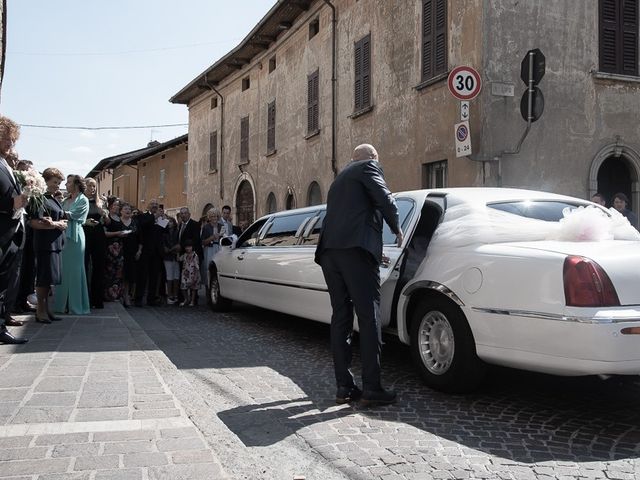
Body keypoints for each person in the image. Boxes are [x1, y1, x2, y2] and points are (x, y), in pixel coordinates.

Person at [315, 144, 403, 407]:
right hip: (354, 251)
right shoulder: (368, 167)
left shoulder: (339, 180)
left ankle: (344, 387)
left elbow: (350, 219)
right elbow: (386, 199)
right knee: (369, 316)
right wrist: (396, 227)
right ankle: (372, 388)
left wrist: (374, 253)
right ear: (374, 158)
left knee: (340, 317)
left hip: (330, 252)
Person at [0, 116, 28, 343]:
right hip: (2, 229)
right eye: (5, 138)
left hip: (10, 231)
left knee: (5, 280)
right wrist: (16, 202)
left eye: (12, 139)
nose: (10, 143)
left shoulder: (5, 163)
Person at [29, 167, 67, 323]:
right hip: (45, 244)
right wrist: (57, 225)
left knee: (50, 279)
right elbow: (35, 223)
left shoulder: (53, 199)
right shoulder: (39, 198)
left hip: (55, 244)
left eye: (59, 183)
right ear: (45, 181)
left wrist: (61, 223)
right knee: (44, 279)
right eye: (54, 182)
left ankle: (47, 309)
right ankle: (40, 310)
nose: (57, 185)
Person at [53, 175, 90, 315]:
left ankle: (76, 305)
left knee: (75, 271)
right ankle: (61, 305)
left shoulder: (83, 200)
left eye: (68, 182)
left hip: (75, 238)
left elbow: (73, 215)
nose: (66, 184)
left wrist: (54, 211)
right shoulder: (66, 199)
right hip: (63, 236)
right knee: (63, 270)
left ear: (76, 184)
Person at [83, 178, 107, 309]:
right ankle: (85, 297)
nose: (92, 188)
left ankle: (97, 299)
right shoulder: (80, 200)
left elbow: (107, 222)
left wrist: (104, 214)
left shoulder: (100, 202)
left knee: (99, 266)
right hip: (85, 233)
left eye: (94, 186)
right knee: (85, 266)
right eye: (89, 186)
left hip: (98, 234)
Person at [134, 199, 162, 306]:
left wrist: (164, 221)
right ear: (148, 206)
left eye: (156, 204)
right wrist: (154, 217)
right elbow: (143, 224)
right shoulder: (143, 216)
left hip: (156, 252)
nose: (155, 206)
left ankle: (151, 299)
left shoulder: (160, 218)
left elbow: (164, 232)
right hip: (145, 250)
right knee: (142, 276)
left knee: (154, 277)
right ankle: (138, 299)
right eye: (153, 204)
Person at [103, 196, 125, 301]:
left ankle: (116, 295)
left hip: (119, 247)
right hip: (110, 247)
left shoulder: (119, 217)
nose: (117, 207)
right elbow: (104, 233)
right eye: (115, 205)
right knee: (109, 272)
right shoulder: (107, 217)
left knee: (118, 272)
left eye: (118, 205)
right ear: (110, 206)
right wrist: (117, 233)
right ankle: (107, 295)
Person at [119, 202, 138, 307]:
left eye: (129, 209)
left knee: (129, 276)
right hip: (120, 251)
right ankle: (120, 296)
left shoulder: (135, 222)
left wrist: (139, 250)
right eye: (125, 209)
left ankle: (127, 296)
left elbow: (140, 237)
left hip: (132, 252)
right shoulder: (118, 222)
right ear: (121, 211)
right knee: (120, 275)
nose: (128, 211)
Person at [201, 208, 222, 287]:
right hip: (209, 249)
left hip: (219, 248)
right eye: (212, 216)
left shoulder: (221, 226)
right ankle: (208, 288)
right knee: (208, 268)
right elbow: (202, 242)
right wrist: (211, 238)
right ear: (209, 217)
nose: (214, 218)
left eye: (216, 216)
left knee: (218, 267)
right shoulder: (206, 227)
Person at [162, 216, 180, 304]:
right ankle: (169, 295)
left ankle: (175, 294)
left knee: (176, 276)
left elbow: (178, 243)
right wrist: (167, 249)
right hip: (167, 257)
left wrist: (173, 249)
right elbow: (163, 244)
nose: (170, 223)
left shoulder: (177, 232)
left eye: (171, 222)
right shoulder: (164, 233)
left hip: (175, 256)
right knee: (169, 276)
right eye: (168, 222)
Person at [178, 239, 199, 307]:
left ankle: (192, 301)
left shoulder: (195, 255)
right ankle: (186, 299)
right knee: (183, 287)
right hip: (185, 274)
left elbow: (197, 266)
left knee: (193, 289)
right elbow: (178, 259)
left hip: (192, 273)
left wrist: (196, 275)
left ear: (192, 247)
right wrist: (177, 252)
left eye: (189, 246)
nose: (188, 248)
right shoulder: (184, 255)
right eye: (186, 247)